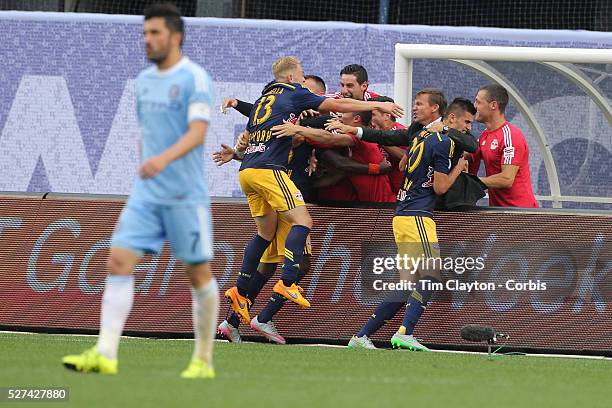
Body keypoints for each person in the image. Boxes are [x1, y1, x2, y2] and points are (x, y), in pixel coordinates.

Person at [62, 3, 218, 378]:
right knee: (117, 260)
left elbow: (197, 133)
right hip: (146, 193)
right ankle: (105, 353)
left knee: (198, 274)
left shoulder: (195, 78)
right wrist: (148, 163)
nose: (147, 40)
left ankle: (203, 359)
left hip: (184, 195)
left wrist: (161, 160)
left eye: (155, 33)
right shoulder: (144, 82)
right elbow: (148, 134)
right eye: (145, 33)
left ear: (175, 37)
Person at [224, 55, 404, 328]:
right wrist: (379, 103)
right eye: (301, 74)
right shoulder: (295, 95)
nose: (303, 80)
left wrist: (239, 122)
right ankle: (286, 285)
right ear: (291, 79)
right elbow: (336, 107)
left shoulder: (265, 101)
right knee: (304, 222)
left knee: (265, 233)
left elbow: (257, 132)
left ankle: (239, 294)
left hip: (248, 172)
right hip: (272, 174)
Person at [327, 97, 476, 350]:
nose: (468, 128)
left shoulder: (420, 136)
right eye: (466, 122)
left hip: (403, 213)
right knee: (431, 273)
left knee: (407, 282)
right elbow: (440, 187)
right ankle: (405, 332)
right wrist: (458, 167)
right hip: (418, 214)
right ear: (451, 118)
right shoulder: (442, 142)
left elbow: (404, 163)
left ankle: (361, 336)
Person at [272, 111, 396, 203]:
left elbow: (333, 147)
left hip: (382, 206)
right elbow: (342, 168)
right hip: (366, 206)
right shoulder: (346, 142)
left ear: (356, 119)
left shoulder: (359, 138)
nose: (340, 115)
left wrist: (300, 131)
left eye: (344, 112)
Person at [469, 84, 538, 207]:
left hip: (520, 213)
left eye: (478, 102)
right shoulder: (485, 135)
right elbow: (468, 156)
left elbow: (506, 179)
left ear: (493, 105)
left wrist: (471, 182)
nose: (474, 106)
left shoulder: (511, 136)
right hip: (498, 211)